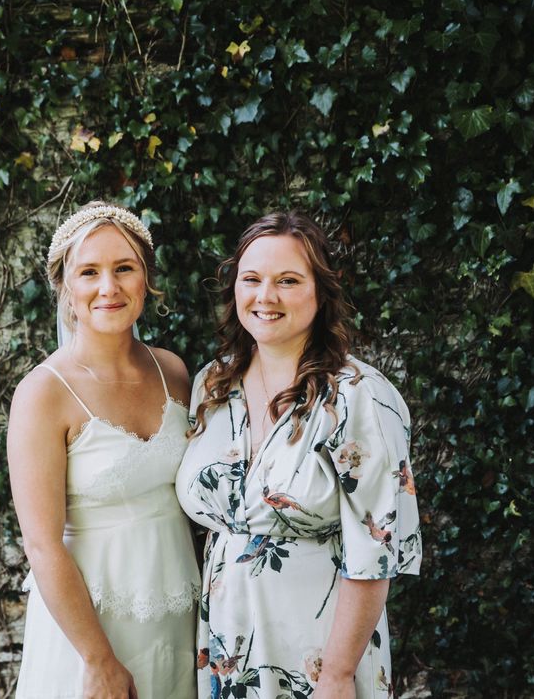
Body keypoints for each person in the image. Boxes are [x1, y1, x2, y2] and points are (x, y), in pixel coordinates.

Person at [175, 211, 422, 699]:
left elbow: (375, 551)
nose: (265, 297)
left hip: (321, 647)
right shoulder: (212, 384)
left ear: (320, 292)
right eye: (252, 279)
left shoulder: (358, 397)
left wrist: (336, 674)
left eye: (287, 280)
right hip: (228, 638)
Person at [8, 201, 200, 699]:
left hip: (177, 613)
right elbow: (42, 544)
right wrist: (98, 660)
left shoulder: (173, 371)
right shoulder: (43, 392)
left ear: (146, 278)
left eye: (124, 268)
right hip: (90, 629)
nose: (108, 288)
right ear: (66, 288)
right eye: (89, 272)